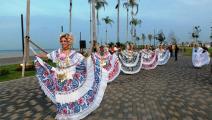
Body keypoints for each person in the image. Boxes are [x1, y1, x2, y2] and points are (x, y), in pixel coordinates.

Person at [34, 33, 107, 120]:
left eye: (65, 41)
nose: (63, 42)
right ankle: (62, 115)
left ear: (69, 42)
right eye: (61, 41)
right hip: (59, 79)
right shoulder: (56, 53)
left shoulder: (75, 54)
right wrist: (38, 56)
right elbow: (47, 56)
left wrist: (94, 60)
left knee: (70, 98)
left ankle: (71, 115)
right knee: (60, 98)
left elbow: (85, 61)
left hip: (69, 80)